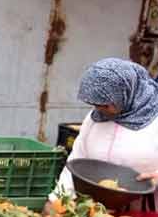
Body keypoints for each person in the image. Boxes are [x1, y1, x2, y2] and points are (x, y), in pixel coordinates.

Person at [51, 58, 158, 205]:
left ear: (126, 92)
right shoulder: (95, 118)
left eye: (106, 105)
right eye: (95, 104)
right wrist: (57, 199)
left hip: (144, 210)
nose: (100, 110)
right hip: (97, 210)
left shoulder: (154, 120)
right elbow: (77, 160)